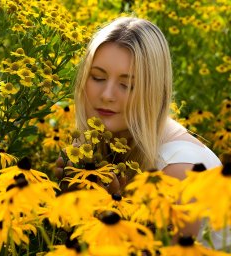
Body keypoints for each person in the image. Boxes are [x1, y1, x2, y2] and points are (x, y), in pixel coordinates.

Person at [55, 16, 222, 246]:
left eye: (128, 85)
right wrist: (71, 202)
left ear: (153, 90)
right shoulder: (101, 145)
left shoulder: (180, 173)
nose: (107, 94)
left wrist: (108, 211)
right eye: (98, 77)